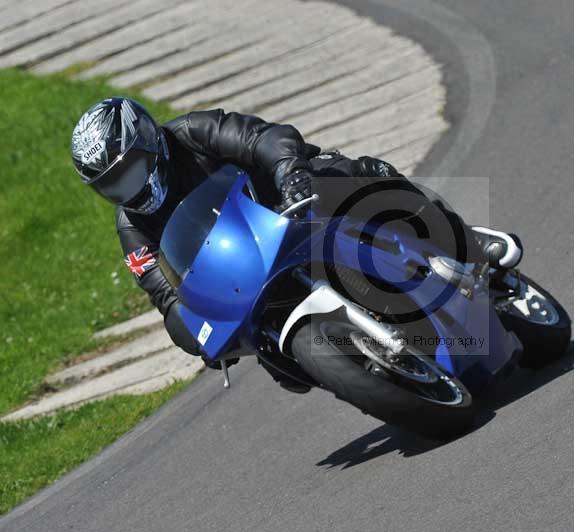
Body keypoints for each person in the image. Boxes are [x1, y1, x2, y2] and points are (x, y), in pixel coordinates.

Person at [71, 97, 523, 392]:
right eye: (111, 186)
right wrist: (198, 335)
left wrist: (291, 176)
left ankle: (468, 243)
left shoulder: (192, 132)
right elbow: (165, 295)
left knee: (358, 175)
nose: (127, 190)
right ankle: (372, 367)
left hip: (290, 206)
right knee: (281, 367)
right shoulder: (132, 226)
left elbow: (263, 138)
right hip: (247, 274)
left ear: (148, 142)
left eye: (129, 172)